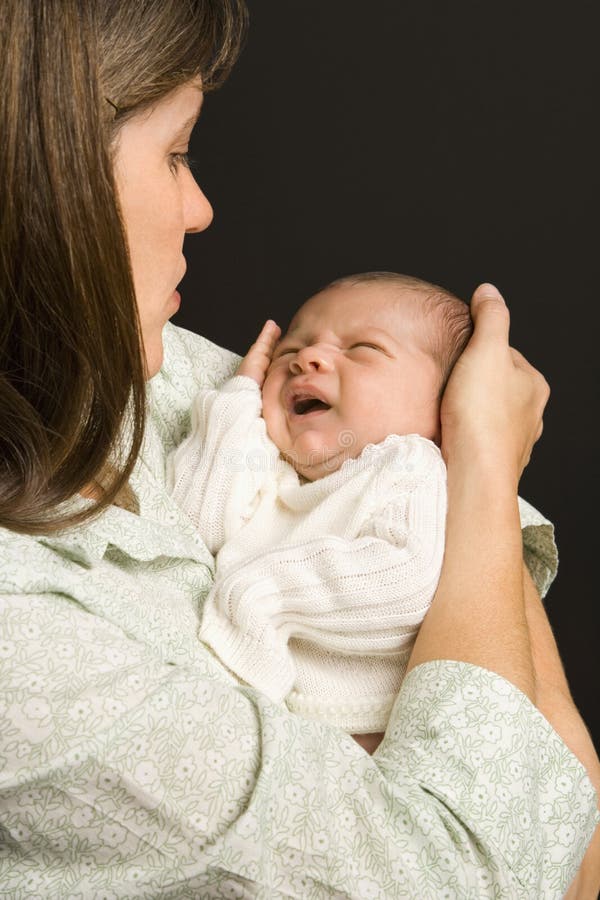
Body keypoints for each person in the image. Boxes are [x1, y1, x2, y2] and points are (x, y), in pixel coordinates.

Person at [1, 2, 599, 897]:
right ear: (51, 179)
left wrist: (469, 471)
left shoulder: (142, 374)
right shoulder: (28, 651)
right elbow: (479, 875)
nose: (200, 208)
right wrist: (483, 465)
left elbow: (575, 831)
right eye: (174, 153)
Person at [168, 271, 557, 745]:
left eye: (362, 351)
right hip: (260, 720)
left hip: (366, 731)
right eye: (288, 352)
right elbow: (193, 524)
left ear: (441, 405)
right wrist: (238, 400)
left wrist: (262, 596)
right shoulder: (268, 465)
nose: (307, 359)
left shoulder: (408, 467)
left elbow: (405, 576)